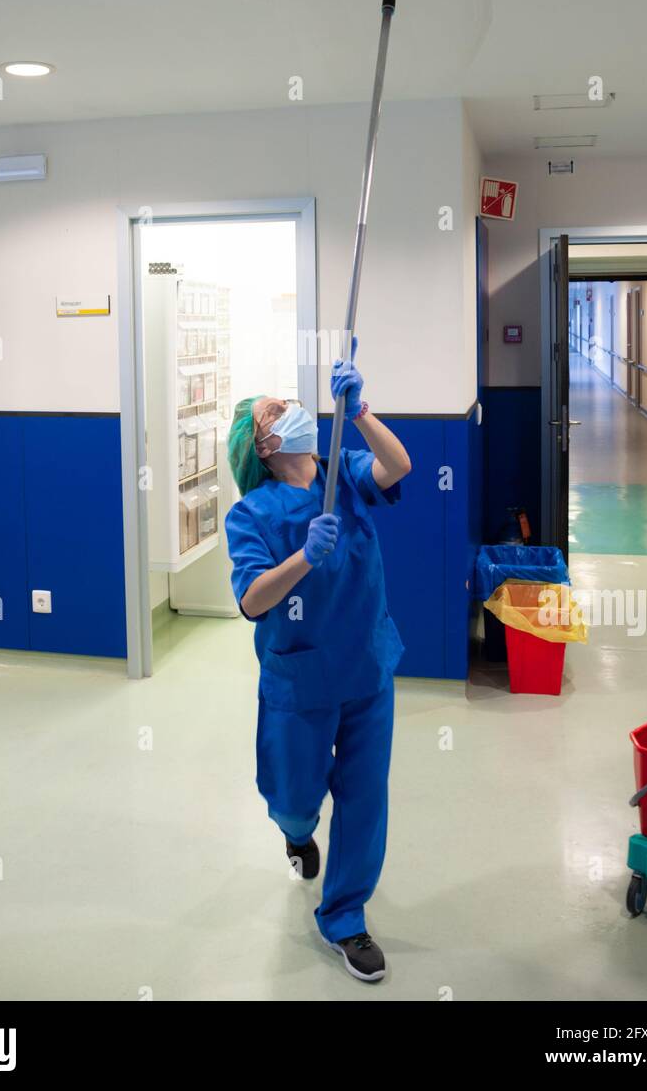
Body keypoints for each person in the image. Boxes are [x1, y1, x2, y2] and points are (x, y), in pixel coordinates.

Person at [224, 339, 411, 982]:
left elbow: (398, 464)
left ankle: (346, 917)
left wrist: (359, 411)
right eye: (278, 410)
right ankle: (297, 832)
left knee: (364, 796)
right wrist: (304, 557)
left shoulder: (345, 473)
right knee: (295, 796)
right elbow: (251, 600)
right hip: (300, 680)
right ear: (267, 448)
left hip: (365, 668)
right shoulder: (251, 515)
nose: (295, 407)